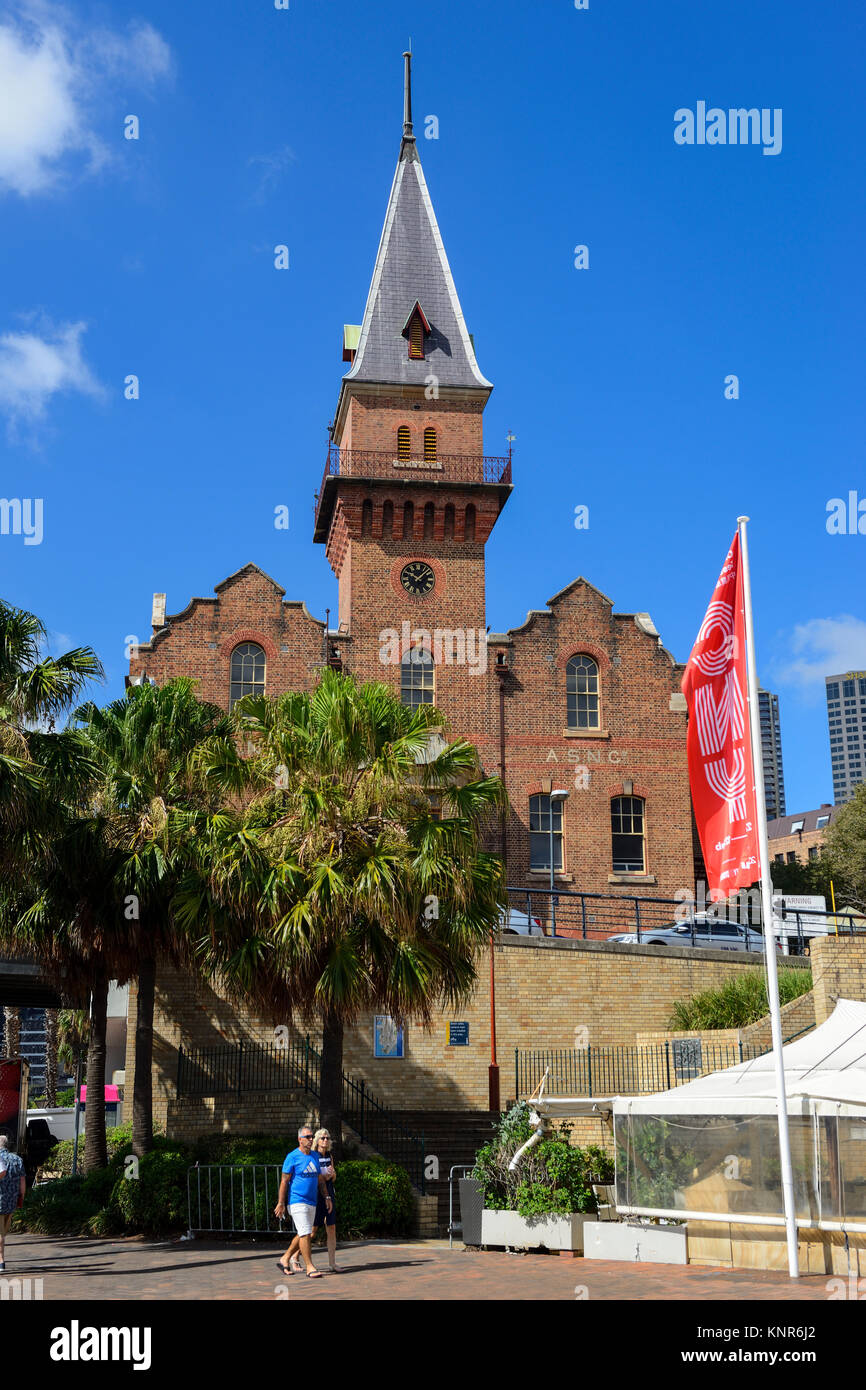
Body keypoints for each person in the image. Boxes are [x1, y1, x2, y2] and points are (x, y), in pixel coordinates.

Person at [274, 1124, 332, 1278]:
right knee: (306, 1233)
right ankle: (309, 1267)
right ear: (300, 1139)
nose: (311, 1139)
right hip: (297, 1201)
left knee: (302, 1233)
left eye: (312, 1136)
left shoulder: (314, 1156)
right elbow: (284, 1181)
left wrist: (326, 1197)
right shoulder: (292, 1157)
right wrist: (281, 1203)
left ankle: (285, 1258)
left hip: (312, 1201)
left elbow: (320, 1180)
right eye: (308, 1137)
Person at [311, 1128, 339, 1272]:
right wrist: (326, 1177)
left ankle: (332, 1263)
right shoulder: (313, 1156)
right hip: (317, 1195)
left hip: (330, 1193)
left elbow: (333, 1177)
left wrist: (332, 1174)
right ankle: (294, 1256)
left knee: (331, 1227)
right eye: (322, 1138)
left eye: (327, 1138)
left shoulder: (329, 1155)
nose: (325, 1140)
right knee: (312, 1230)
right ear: (317, 1140)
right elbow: (315, 1178)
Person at [0, 1135, 26, 1274]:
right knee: (3, 1231)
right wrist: (21, 1198)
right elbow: (22, 1184)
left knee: (0, 1233)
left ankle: (1, 1261)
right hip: (11, 1202)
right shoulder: (17, 1160)